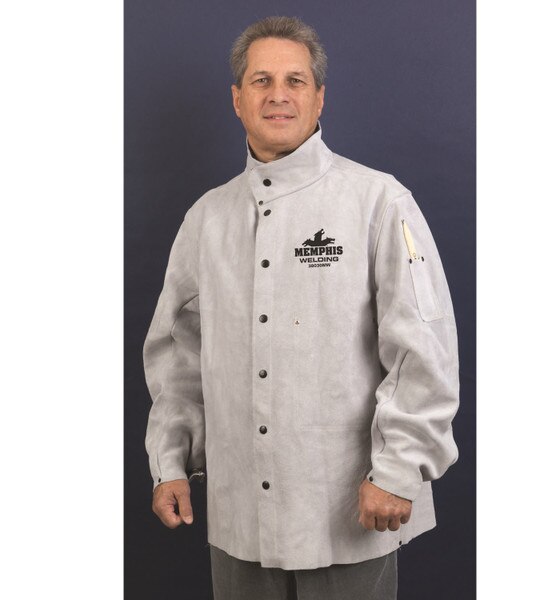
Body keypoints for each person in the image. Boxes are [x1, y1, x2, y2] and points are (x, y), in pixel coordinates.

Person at [143, 15, 459, 600]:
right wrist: (170, 462)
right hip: (239, 518)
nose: (278, 94)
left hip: (351, 511)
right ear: (237, 99)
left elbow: (424, 348)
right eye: (261, 80)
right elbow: (178, 358)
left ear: (319, 98)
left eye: (295, 80)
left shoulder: (379, 201)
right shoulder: (205, 219)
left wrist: (398, 469)